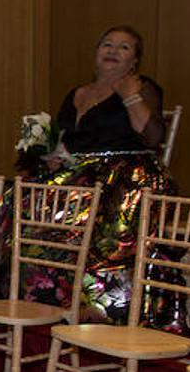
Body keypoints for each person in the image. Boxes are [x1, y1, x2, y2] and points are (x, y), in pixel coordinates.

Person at [17, 25, 175, 323]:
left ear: (134, 62)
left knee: (90, 214)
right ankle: (47, 294)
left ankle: (101, 303)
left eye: (123, 47)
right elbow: (66, 139)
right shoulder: (77, 93)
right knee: (24, 202)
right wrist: (51, 154)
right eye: (107, 44)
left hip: (125, 176)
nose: (113, 51)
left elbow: (153, 138)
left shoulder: (142, 86)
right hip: (77, 176)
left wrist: (130, 97)